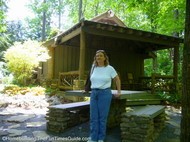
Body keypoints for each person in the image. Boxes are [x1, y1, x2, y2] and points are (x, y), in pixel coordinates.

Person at [87, 50, 121, 142]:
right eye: (97, 56)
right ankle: (93, 138)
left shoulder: (110, 68)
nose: (98, 57)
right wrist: (86, 89)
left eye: (101, 56)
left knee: (102, 117)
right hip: (94, 93)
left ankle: (101, 138)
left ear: (105, 58)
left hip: (105, 94)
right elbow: (90, 80)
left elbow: (117, 79)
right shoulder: (93, 67)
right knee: (93, 117)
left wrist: (119, 91)